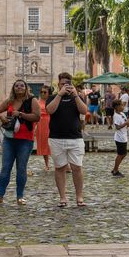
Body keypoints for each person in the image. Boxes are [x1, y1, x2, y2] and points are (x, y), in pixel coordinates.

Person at [0, 79, 41, 206]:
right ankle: (0, 196)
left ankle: (20, 196)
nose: (19, 87)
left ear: (26, 87)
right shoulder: (10, 101)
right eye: (17, 85)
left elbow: (37, 117)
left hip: (25, 139)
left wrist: (21, 115)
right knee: (5, 168)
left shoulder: (32, 100)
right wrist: (2, 117)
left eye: (22, 85)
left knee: (21, 168)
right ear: (14, 88)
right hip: (9, 138)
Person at [45, 72, 89, 207]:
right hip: (56, 138)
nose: (65, 86)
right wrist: (59, 94)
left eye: (67, 84)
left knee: (77, 167)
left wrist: (75, 95)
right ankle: (62, 197)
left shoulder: (77, 97)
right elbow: (50, 110)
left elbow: (84, 111)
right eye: (62, 84)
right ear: (58, 85)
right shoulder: (52, 97)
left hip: (75, 137)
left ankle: (79, 196)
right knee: (60, 167)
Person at [111, 99, 129, 176]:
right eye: (121, 105)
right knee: (121, 154)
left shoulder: (122, 114)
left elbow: (125, 124)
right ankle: (115, 170)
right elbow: (117, 127)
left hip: (124, 137)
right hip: (119, 138)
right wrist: (126, 123)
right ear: (117, 107)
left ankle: (115, 168)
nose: (123, 106)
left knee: (124, 154)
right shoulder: (116, 116)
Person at [34, 85, 53, 173]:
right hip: (41, 125)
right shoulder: (38, 102)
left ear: (49, 93)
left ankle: (61, 164)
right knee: (44, 144)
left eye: (45, 92)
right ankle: (47, 164)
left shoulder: (52, 101)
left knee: (53, 144)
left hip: (51, 123)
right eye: (41, 92)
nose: (42, 94)